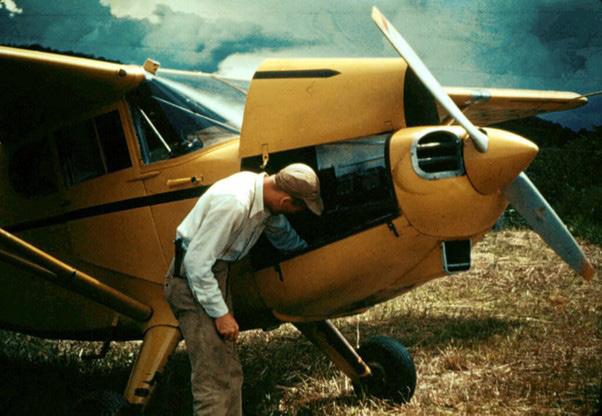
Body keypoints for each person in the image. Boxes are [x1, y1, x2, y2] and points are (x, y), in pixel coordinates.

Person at [164, 163, 323, 416]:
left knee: (230, 371)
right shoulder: (236, 203)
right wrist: (220, 313)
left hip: (215, 276)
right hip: (192, 282)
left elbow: (281, 233)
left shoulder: (264, 195)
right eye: (297, 208)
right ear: (285, 200)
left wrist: (310, 256)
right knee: (214, 378)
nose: (294, 213)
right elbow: (196, 263)